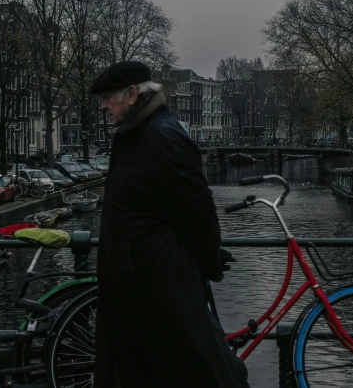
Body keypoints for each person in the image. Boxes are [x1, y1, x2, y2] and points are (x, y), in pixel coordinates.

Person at [90, 61, 249, 388]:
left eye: (109, 98)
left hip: (159, 292)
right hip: (138, 288)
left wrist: (209, 261)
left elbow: (197, 211)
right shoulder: (137, 134)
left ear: (132, 94)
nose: (105, 106)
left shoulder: (162, 136)